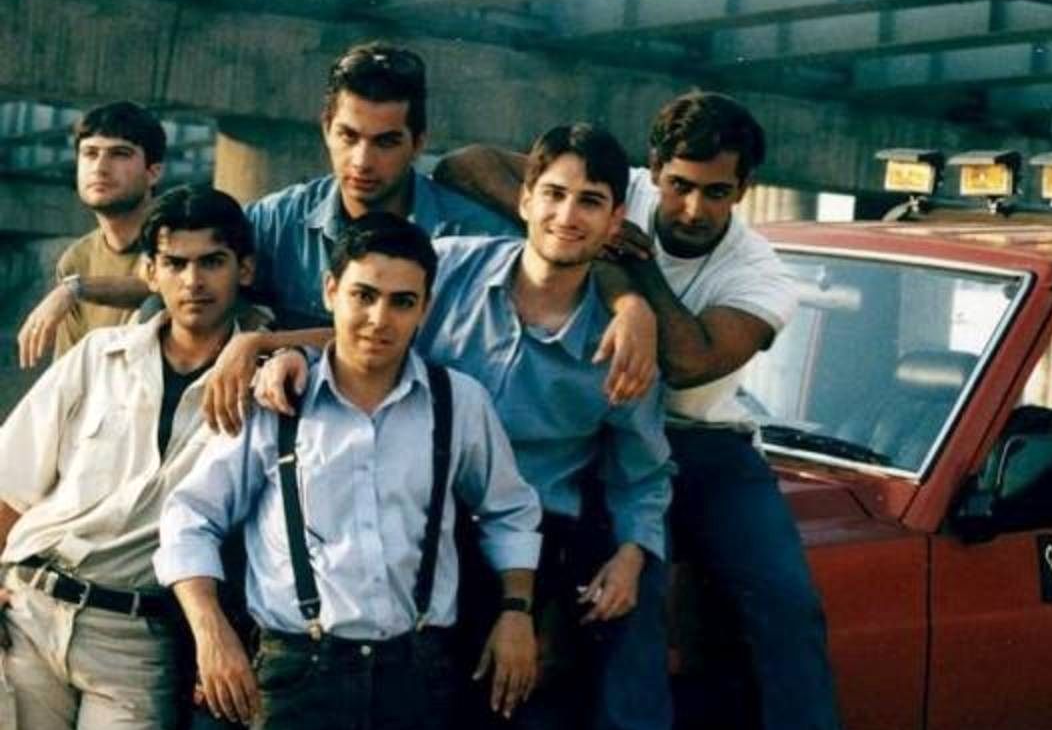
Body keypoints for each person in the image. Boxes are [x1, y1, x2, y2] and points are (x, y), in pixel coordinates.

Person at [435, 92, 850, 730]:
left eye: (717, 192)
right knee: (626, 592)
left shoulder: (762, 274)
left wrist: (631, 286)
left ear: (745, 188)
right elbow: (464, 163)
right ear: (652, 171)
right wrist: (580, 237)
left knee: (785, 598)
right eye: (680, 185)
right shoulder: (608, 189)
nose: (693, 208)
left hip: (705, 440)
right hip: (604, 429)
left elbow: (688, 362)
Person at [259, 123, 675, 730]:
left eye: (590, 202)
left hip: (534, 545)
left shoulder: (621, 344)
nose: (567, 216)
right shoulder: (450, 264)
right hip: (414, 518)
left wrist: (632, 554)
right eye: (554, 194)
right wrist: (272, 349)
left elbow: (642, 471)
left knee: (505, 729)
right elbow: (366, 328)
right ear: (526, 198)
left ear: (614, 219)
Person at [17, 42, 655, 436]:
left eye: (386, 142)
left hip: (418, 452)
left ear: (419, 142)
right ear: (326, 126)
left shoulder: (465, 234)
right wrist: (81, 292)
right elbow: (187, 279)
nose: (362, 161)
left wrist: (631, 305)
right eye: (348, 136)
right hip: (281, 446)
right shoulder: (276, 221)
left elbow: (557, 257)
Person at [154, 217, 543, 730]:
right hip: (296, 676)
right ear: (331, 291)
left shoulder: (458, 402)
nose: (379, 319)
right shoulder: (276, 401)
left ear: (425, 308)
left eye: (402, 302)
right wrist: (210, 630)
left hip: (417, 677)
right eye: (364, 295)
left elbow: (510, 510)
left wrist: (516, 610)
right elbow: (190, 517)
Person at [0, 185, 258, 730]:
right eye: (175, 263)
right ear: (149, 271)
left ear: (244, 269)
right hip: (30, 608)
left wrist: (269, 345)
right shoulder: (99, 355)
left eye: (212, 262)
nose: (193, 281)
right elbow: (10, 482)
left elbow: (358, 346)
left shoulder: (263, 381)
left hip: (137, 637)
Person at [17, 100, 166, 367]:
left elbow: (171, 289)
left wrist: (75, 289)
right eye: (90, 153)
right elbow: (70, 370)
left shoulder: (179, 233)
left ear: (153, 173)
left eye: (120, 154)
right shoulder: (76, 260)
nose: (100, 167)